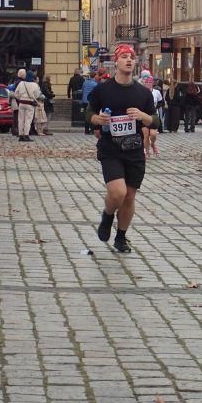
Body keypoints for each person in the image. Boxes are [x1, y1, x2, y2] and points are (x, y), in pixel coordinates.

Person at [87, 44, 159, 254]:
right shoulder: (103, 89)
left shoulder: (142, 93)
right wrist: (97, 119)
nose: (129, 60)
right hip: (110, 148)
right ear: (116, 61)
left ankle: (121, 236)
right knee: (118, 192)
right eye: (124, 57)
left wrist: (143, 116)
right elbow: (88, 113)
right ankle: (108, 215)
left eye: (132, 57)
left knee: (129, 196)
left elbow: (155, 121)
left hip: (134, 150)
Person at [81, 70, 100, 135]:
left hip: (84, 101)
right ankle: (92, 130)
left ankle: (86, 130)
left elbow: (82, 90)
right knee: (92, 115)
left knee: (86, 116)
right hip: (90, 101)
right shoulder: (95, 84)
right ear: (94, 76)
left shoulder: (85, 82)